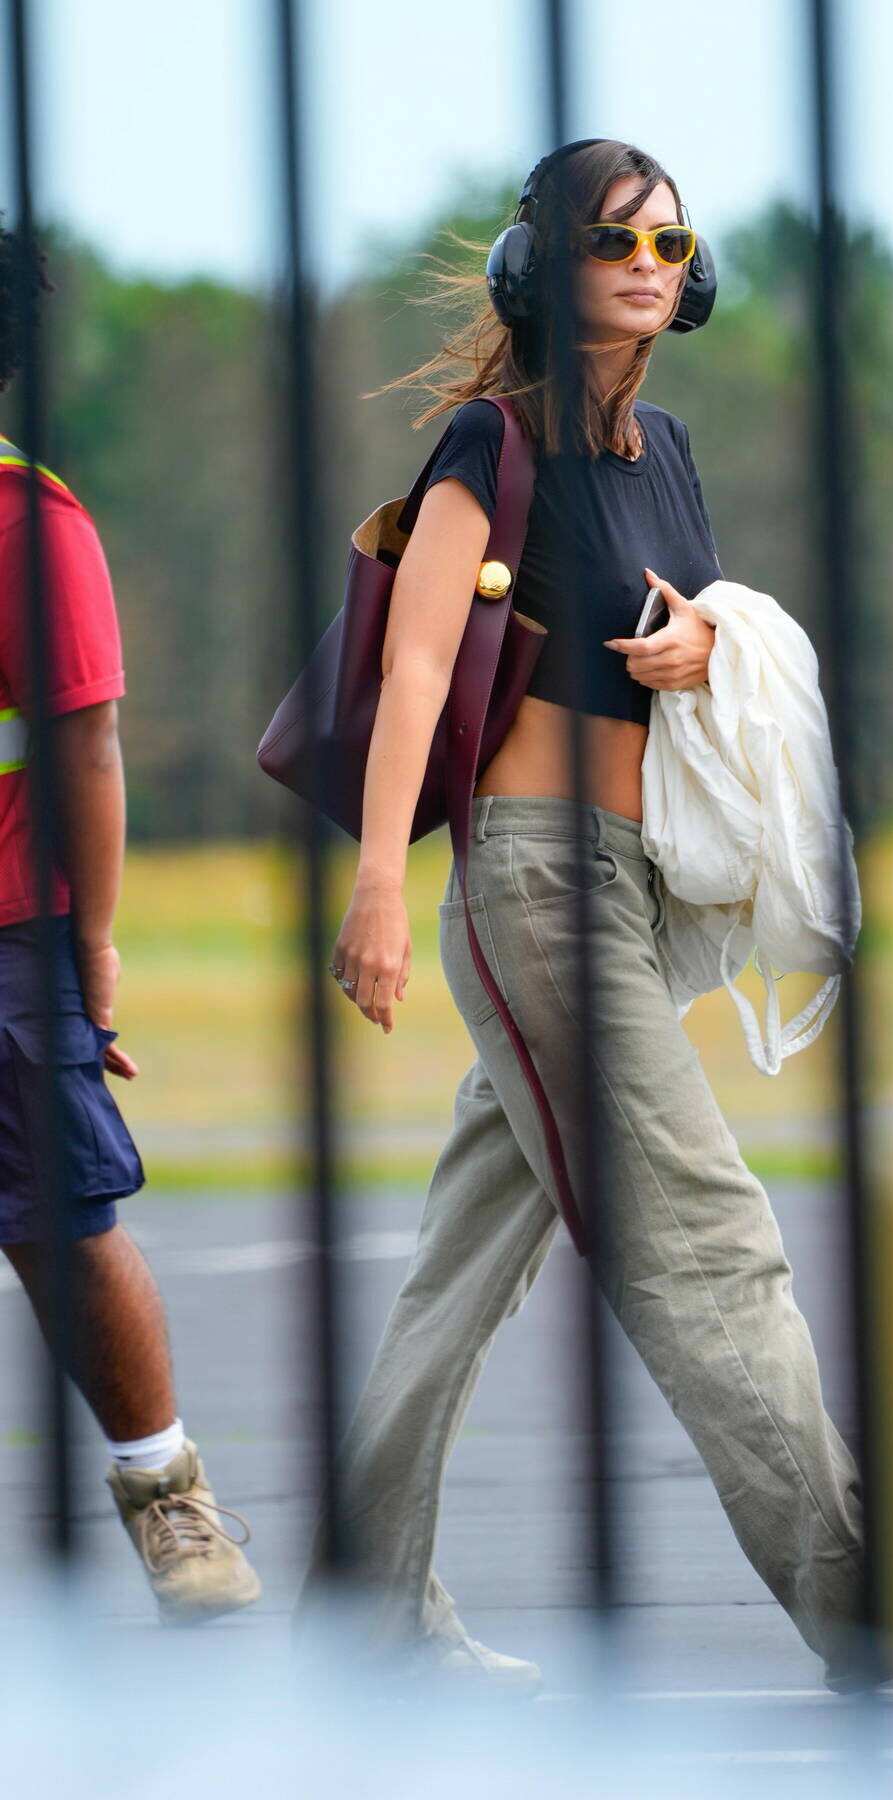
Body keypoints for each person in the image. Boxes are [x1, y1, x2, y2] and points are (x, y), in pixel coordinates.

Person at [293, 139, 892, 1695]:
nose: (646, 265)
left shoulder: (666, 452)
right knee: (708, 1238)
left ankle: (362, 1621)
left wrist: (708, 643)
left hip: (628, 884)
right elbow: (418, 669)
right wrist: (377, 884)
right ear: (540, 269)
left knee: (461, 1271)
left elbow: (698, 623)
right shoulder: (488, 445)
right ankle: (865, 1610)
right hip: (535, 884)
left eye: (669, 243)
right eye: (613, 240)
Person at [0, 218, 260, 1622]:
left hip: (7, 936)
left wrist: (93, 942)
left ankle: (171, 1501)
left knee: (60, 1216)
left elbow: (87, 746)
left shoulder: (30, 528)